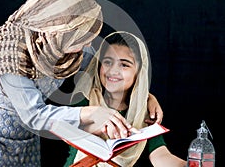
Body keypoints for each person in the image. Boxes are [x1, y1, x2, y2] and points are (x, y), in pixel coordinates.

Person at [0, 0, 163, 166]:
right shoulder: (10, 52)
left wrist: (145, 96)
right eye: (84, 36)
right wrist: (91, 113)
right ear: (62, 29)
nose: (89, 44)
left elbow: (108, 73)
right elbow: (34, 114)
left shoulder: (67, 48)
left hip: (23, 136)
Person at [64, 31, 187, 167]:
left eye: (124, 65)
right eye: (107, 62)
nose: (113, 71)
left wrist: (188, 164)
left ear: (139, 72)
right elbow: (65, 129)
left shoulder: (144, 112)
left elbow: (160, 155)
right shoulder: (85, 100)